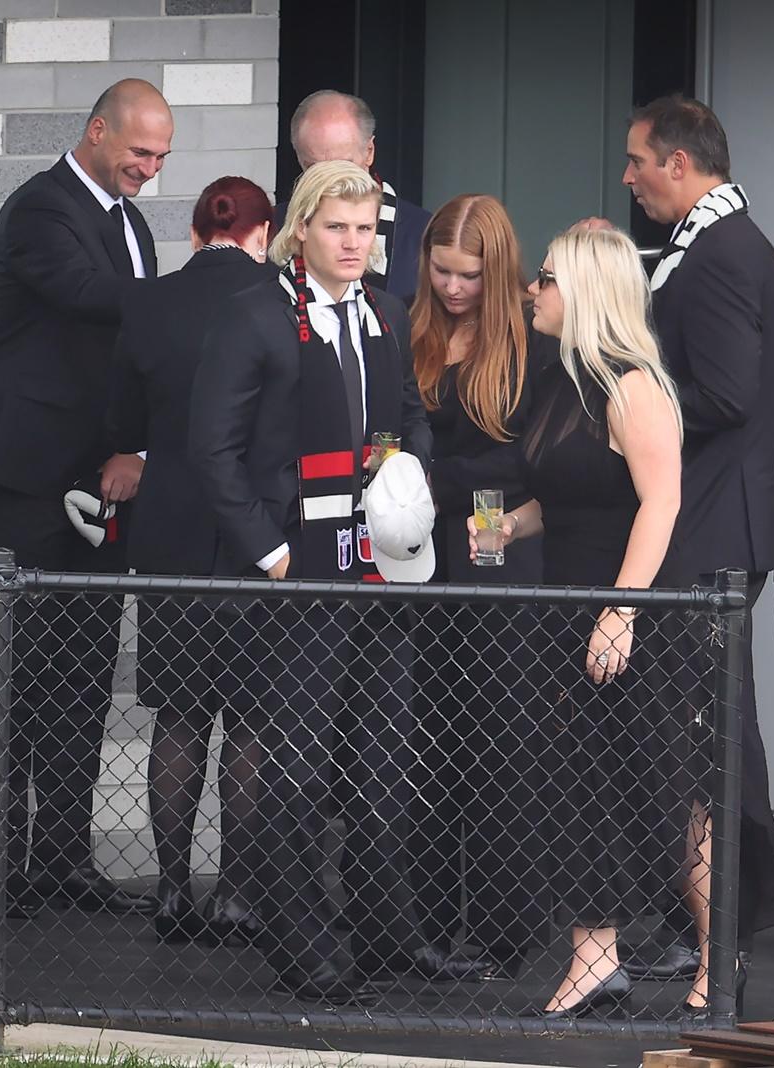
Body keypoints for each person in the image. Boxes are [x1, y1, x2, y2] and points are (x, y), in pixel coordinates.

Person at [189, 160, 483, 1005]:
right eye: (338, 228)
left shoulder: (388, 313)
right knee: (299, 771)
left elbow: (412, 417)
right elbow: (211, 450)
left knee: (385, 764)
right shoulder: (251, 317)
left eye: (367, 230)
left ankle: (392, 938)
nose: (355, 243)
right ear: (302, 230)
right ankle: (305, 946)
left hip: (382, 569)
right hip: (295, 575)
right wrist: (270, 556)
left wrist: (410, 482)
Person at [0, 78, 172, 918]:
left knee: (83, 669)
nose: (150, 170)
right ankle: (2, 865)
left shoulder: (134, 222)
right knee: (19, 662)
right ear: (95, 131)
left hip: (101, 472)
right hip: (23, 466)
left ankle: (63, 862)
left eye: (160, 157)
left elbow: (132, 351)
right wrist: (200, 293)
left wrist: (136, 448)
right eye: (139, 152)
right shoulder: (40, 209)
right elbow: (89, 298)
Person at [468, 227, 695, 1019]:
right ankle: (594, 957)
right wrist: (507, 530)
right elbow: (563, 499)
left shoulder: (634, 386)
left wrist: (621, 610)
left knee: (659, 790)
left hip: (627, 614)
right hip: (565, 607)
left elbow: (659, 504)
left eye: (548, 278)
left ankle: (715, 951)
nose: (534, 289)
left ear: (588, 292)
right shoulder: (562, 381)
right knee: (575, 788)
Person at [620, 94, 774, 1011]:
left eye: (637, 160)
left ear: (679, 164)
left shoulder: (723, 252)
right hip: (717, 521)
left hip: (716, 529)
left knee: (707, 741)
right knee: (699, 738)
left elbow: (724, 394)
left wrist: (632, 400)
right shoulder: (719, 242)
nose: (629, 176)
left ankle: (722, 933)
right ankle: (701, 926)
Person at [108, 176, 275, 946]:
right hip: (250, 534)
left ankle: (172, 889)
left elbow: (124, 420)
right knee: (247, 721)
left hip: (168, 529)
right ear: (262, 232)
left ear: (195, 232)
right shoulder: (279, 301)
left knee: (177, 718)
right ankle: (237, 892)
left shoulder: (148, 303)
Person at [407, 193, 547, 979]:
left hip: (497, 551)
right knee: (427, 744)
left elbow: (524, 463)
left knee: (500, 745)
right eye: (442, 270)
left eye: (469, 275)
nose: (454, 287)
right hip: (420, 556)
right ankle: (423, 925)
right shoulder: (410, 329)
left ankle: (502, 935)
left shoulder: (527, 344)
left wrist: (427, 478)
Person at [276, 90, 430, 301]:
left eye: (345, 166)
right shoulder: (274, 225)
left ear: (369, 151)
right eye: (314, 168)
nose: (331, 181)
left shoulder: (425, 234)